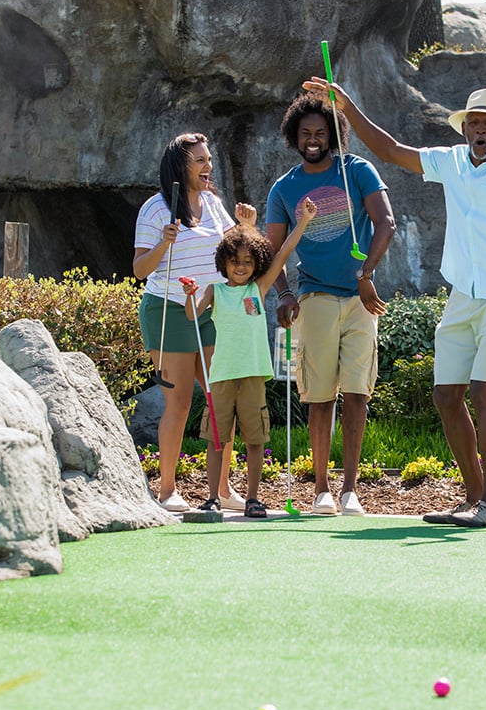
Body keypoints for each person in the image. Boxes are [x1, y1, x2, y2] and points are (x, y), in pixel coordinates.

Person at [302, 80, 486, 527]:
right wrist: (347, 106)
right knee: (445, 394)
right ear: (465, 129)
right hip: (463, 293)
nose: (479, 129)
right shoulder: (452, 161)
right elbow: (390, 149)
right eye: (473, 122)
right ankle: (474, 497)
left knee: (482, 392)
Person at [266, 93, 396, 516]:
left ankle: (350, 490)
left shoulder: (356, 170)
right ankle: (321, 489)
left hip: (361, 299)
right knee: (319, 397)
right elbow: (273, 251)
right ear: (294, 136)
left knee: (357, 393)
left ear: (334, 135)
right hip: (315, 296)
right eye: (305, 133)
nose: (313, 140)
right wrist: (284, 294)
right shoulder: (284, 188)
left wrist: (365, 276)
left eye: (321, 132)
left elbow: (386, 223)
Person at [133, 132, 250, 513]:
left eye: (208, 159)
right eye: (199, 160)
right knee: (180, 402)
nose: (207, 166)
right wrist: (164, 244)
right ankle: (167, 491)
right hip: (168, 311)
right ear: (179, 166)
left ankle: (222, 488)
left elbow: (235, 250)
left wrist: (246, 227)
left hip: (210, 311)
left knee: (222, 399)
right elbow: (139, 270)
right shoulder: (155, 209)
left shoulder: (214, 205)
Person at [181, 197, 318, 518]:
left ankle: (253, 499)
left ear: (256, 263)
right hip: (222, 376)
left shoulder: (258, 289)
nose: (240, 266)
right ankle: (213, 497)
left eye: (246, 261)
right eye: (234, 261)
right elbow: (191, 316)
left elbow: (282, 252)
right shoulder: (215, 290)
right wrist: (189, 296)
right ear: (223, 262)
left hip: (253, 374)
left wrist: (303, 223)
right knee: (217, 440)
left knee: (255, 440)